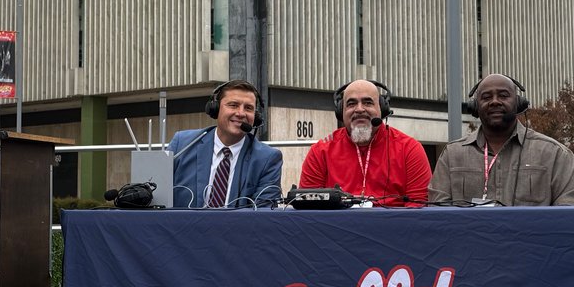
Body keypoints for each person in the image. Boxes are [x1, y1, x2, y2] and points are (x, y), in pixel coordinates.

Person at [429, 74, 574, 206]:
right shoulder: (452, 155)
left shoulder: (555, 155)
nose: (495, 101)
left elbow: (569, 217)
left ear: (518, 104)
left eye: (503, 95)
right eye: (486, 97)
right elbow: (439, 217)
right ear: (476, 106)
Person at [298, 79, 431, 206]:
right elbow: (308, 210)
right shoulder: (320, 151)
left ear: (382, 109)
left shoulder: (410, 149)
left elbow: (418, 210)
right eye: (351, 104)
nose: (359, 109)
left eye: (368, 103)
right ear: (341, 111)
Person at [168, 80, 282, 208]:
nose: (240, 113)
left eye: (248, 108)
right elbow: (157, 196)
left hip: (237, 227)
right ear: (215, 109)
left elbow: (263, 213)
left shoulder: (268, 159)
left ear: (256, 117)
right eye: (233, 105)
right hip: (184, 226)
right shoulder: (182, 144)